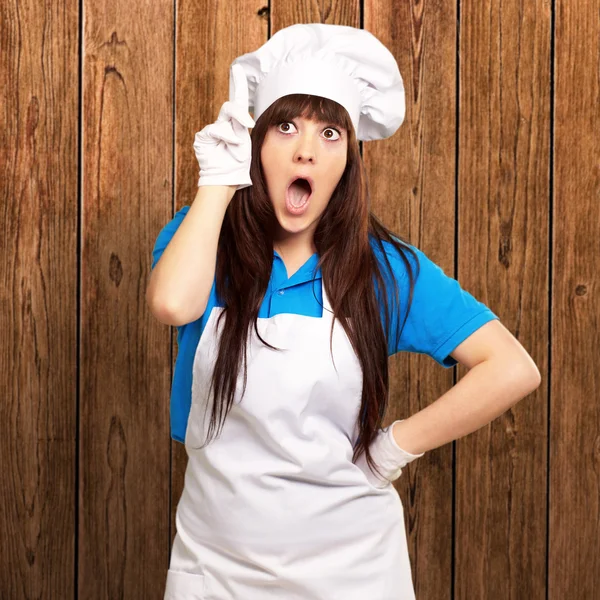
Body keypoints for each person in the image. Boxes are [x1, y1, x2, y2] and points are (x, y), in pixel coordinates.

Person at [148, 23, 502, 600]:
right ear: (258, 144)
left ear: (348, 162)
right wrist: (218, 180)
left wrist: (394, 447)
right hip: (217, 570)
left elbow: (511, 367)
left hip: (352, 572)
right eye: (284, 127)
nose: (305, 149)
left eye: (330, 132)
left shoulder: (385, 270)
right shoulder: (202, 238)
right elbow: (172, 303)